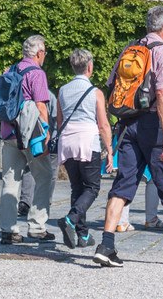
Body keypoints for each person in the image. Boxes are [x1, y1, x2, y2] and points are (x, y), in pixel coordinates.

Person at [93, 6, 163, 268]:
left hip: (127, 123)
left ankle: (106, 245)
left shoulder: (129, 50)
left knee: (123, 184)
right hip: (152, 124)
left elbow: (113, 86)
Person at [0, 35, 56, 244]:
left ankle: (8, 230)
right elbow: (41, 107)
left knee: (10, 182)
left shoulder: (10, 71)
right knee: (45, 176)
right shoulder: (37, 73)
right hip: (30, 134)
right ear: (39, 53)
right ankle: (37, 226)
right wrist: (46, 135)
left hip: (9, 133)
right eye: (44, 52)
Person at [55, 49, 112, 248]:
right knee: (92, 187)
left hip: (68, 142)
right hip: (87, 141)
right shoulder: (96, 92)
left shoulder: (62, 90)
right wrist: (110, 151)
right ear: (90, 67)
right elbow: (103, 125)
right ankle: (71, 219)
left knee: (77, 188)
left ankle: (83, 235)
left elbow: (59, 122)